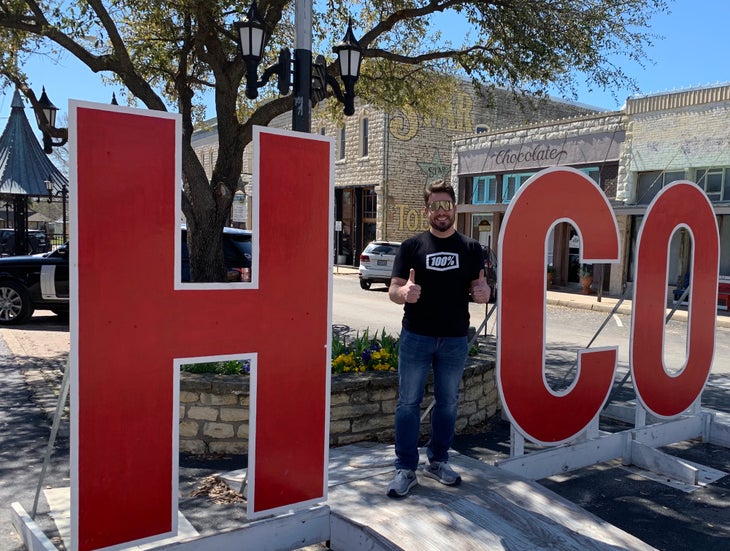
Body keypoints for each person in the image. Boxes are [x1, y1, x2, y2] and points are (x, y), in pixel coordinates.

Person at [386, 179, 491, 498]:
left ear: (455, 208)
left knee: (447, 403)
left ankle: (438, 461)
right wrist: (403, 293)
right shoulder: (411, 247)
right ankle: (405, 467)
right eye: (435, 206)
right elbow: (393, 290)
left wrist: (485, 294)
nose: (441, 211)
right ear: (426, 210)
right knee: (408, 403)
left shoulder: (472, 248)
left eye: (446, 205)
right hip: (417, 336)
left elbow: (481, 289)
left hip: (455, 338)